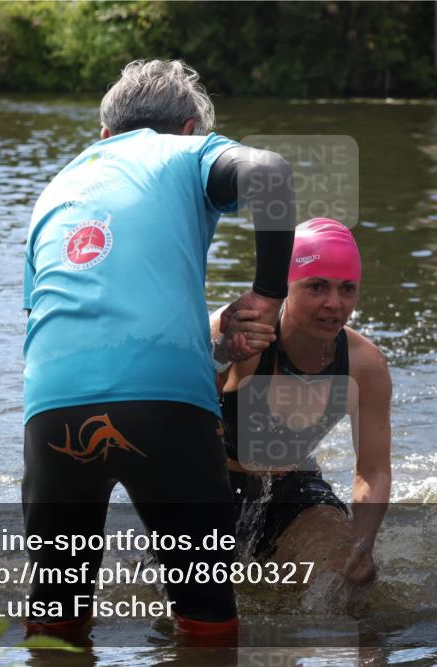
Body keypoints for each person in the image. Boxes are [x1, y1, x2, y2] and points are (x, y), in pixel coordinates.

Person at [21, 59, 296, 643]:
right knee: (206, 615)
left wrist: (215, 344)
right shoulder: (186, 154)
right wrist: (270, 295)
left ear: (103, 136)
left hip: (51, 405)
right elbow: (270, 174)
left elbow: (78, 325)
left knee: (55, 619)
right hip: (165, 407)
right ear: (191, 128)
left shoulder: (55, 189)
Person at [210, 218, 392, 588]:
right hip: (210, 488)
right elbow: (172, 415)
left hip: (294, 491)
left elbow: (372, 470)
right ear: (285, 287)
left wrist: (362, 543)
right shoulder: (233, 330)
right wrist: (219, 359)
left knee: (348, 580)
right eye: (317, 287)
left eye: (347, 289)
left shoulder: (364, 365)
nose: (334, 303)